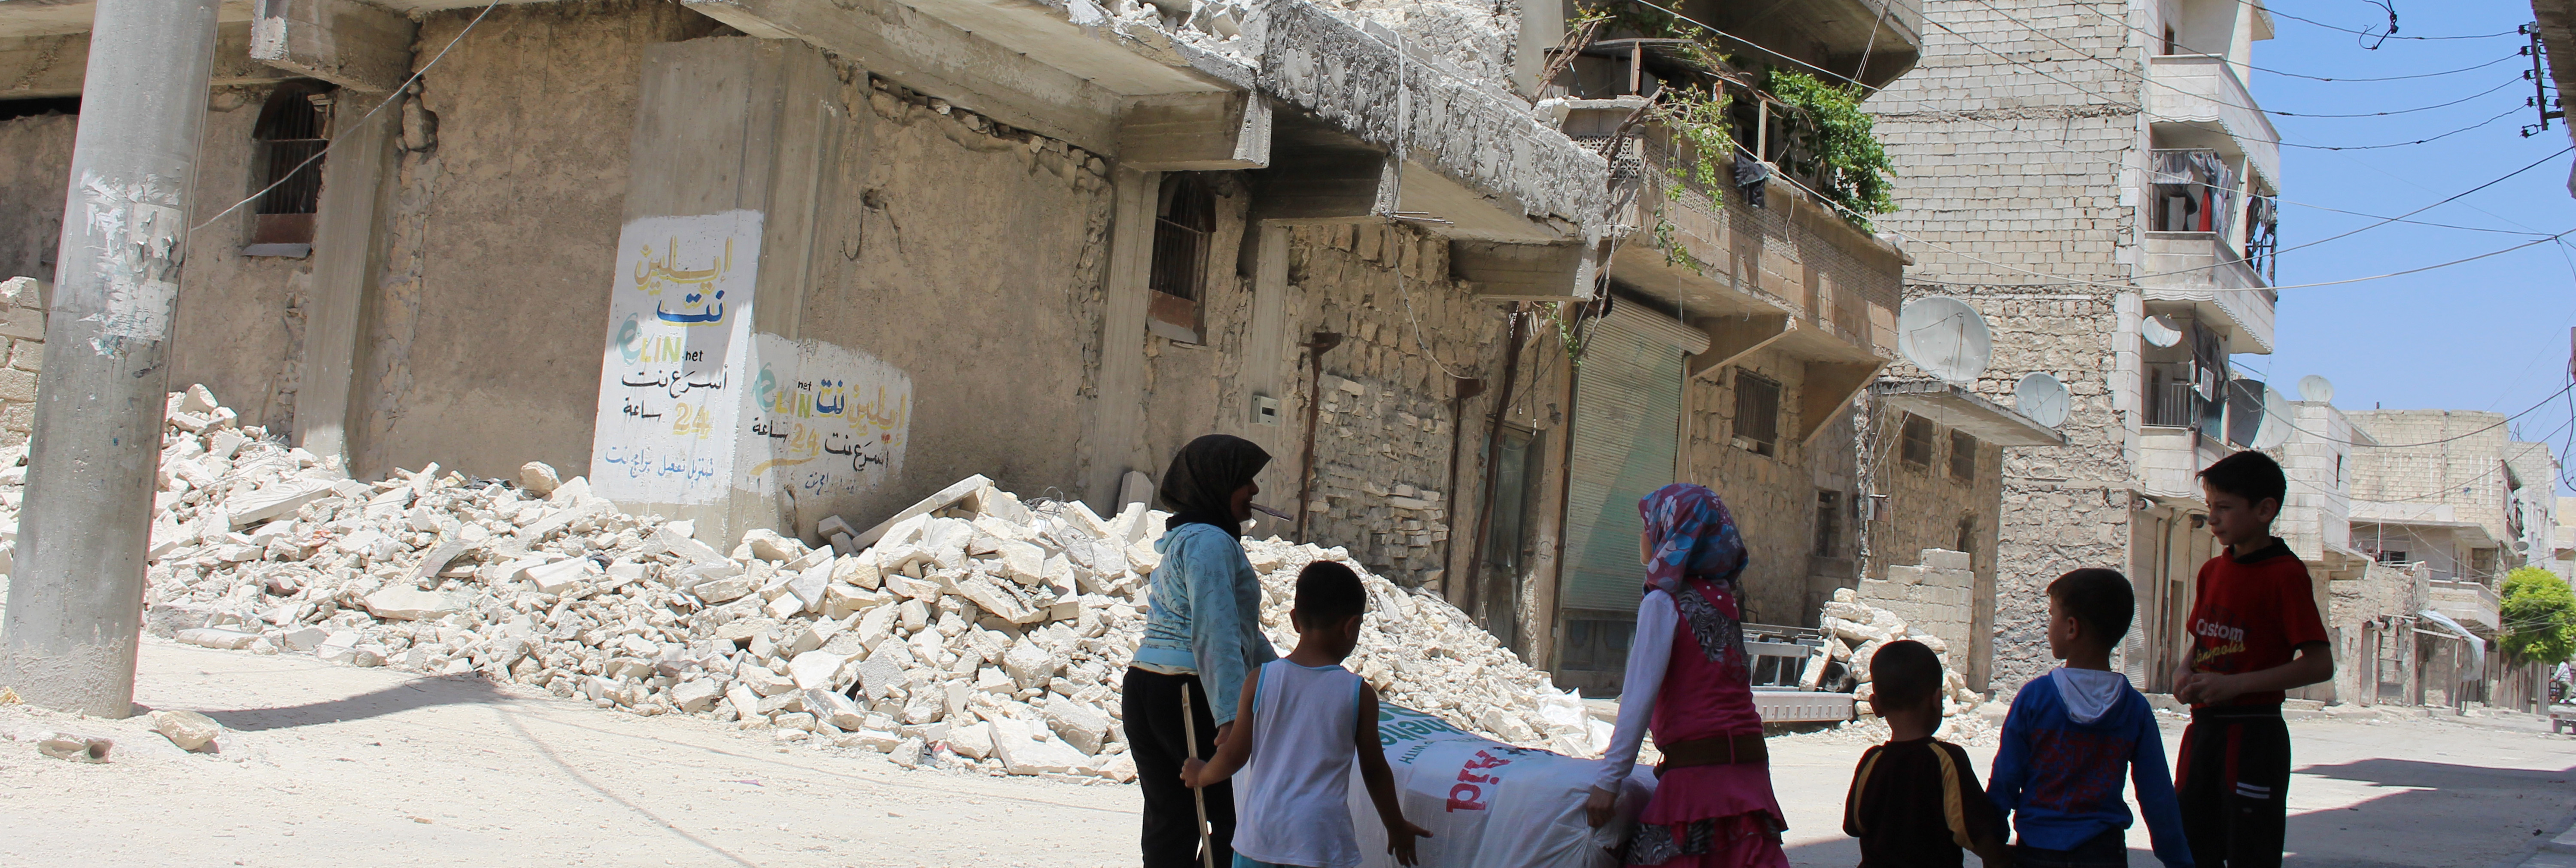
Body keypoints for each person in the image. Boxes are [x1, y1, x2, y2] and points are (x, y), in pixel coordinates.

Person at [1583, 483, 1789, 868]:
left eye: (1648, 525)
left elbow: (1638, 699)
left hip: (1699, 780)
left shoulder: (1663, 603)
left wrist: (1608, 783)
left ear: (1674, 533)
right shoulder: (1723, 598)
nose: (1643, 536)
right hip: (1749, 776)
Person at [1181, 561, 1433, 868]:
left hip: (1259, 839)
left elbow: (1234, 755)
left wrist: (1201, 774)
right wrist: (1396, 825)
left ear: (1294, 621)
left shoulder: (1260, 681)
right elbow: (1375, 770)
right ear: (1351, 627)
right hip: (1318, 844)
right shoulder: (1358, 694)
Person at [2170, 452, 2331, 868]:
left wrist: (2236, 685)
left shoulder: (2285, 574)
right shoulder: (2212, 572)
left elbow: (2318, 664)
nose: (2214, 519)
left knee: (2250, 850)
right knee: (2192, 845)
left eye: (2224, 508)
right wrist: (2185, 670)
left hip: (2255, 734)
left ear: (2265, 510)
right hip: (2203, 732)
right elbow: (2203, 641)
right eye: (2210, 509)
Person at [1126, 434, 1280, 868]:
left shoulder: (1187, 538)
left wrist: (1290, 680)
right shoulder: (1211, 543)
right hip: (1187, 695)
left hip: (1148, 686)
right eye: (1244, 480)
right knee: (1235, 817)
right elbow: (1215, 633)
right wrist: (1231, 717)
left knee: (1171, 822)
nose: (1253, 490)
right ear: (1216, 484)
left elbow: (1241, 633)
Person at [1989, 569, 2192, 868]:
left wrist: (1991, 846)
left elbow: (2005, 780)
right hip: (2104, 852)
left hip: (2037, 850)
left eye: (2052, 616)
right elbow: (2157, 794)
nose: (2049, 625)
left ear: (2072, 628)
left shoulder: (2035, 698)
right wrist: (2179, 860)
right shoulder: (2134, 708)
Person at [1842, 640, 2010, 868]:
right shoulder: (1948, 760)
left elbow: (1855, 825)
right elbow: (1974, 833)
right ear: (1937, 699)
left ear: (1876, 705)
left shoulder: (1872, 762)